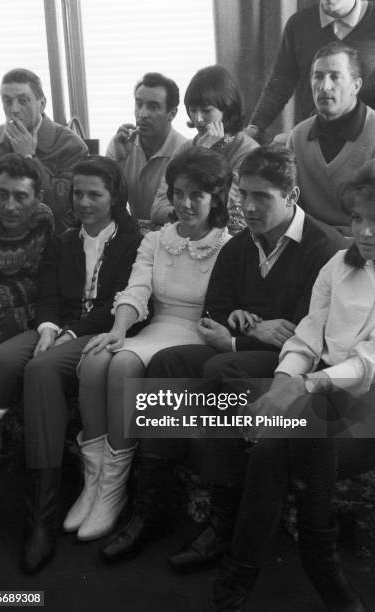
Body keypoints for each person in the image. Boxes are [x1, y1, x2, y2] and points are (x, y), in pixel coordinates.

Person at [100, 145, 346, 569]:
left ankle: (224, 519)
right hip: (250, 350)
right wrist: (254, 327)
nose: (248, 207)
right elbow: (215, 314)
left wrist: (241, 335)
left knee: (219, 367)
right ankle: (152, 509)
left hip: (298, 365)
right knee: (167, 364)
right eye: (243, 195)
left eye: (262, 197)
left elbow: (307, 335)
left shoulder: (322, 250)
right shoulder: (241, 248)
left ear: (292, 196)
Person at [204, 163, 375, 612]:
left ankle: (240, 580)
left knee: (287, 438)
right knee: (275, 442)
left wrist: (299, 387)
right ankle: (316, 568)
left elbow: (366, 365)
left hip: (367, 403)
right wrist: (284, 383)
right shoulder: (339, 265)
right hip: (325, 393)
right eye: (358, 218)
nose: (365, 230)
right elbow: (306, 337)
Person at [0, 156, 142, 574]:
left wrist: (68, 334)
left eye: (94, 194)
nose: (83, 202)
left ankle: (41, 517)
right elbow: (47, 293)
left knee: (40, 370)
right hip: (56, 327)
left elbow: (119, 302)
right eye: (78, 193)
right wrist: (48, 326)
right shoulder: (63, 239)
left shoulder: (133, 240)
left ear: (114, 196)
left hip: (99, 332)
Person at [66, 147, 232, 549]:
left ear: (217, 198)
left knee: (122, 365)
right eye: (178, 193)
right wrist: (120, 329)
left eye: (197, 195)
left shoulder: (229, 245)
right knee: (95, 357)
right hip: (155, 327)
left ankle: (114, 490)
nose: (185, 204)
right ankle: (94, 481)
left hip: (196, 335)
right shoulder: (156, 240)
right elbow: (138, 286)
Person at [0, 68, 88, 234]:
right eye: (7, 101)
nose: (14, 109)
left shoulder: (71, 145)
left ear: (42, 104)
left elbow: (64, 204)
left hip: (49, 243)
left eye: (23, 101)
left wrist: (29, 158)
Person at [246, 0, 375, 142]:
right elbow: (280, 83)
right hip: (310, 137)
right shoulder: (298, 24)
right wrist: (255, 126)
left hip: (365, 138)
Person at [151, 65, 258, 227]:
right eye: (193, 110)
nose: (198, 119)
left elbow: (230, 215)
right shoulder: (186, 148)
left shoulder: (249, 152)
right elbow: (157, 210)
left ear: (227, 108)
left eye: (206, 111)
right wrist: (201, 151)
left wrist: (203, 154)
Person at [0, 153, 54, 368]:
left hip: (18, 317)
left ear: (39, 197)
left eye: (20, 197)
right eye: (2, 194)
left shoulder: (42, 220)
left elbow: (39, 283)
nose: (10, 206)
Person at [289, 41, 375, 234]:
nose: (324, 86)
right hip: (309, 247)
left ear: (356, 85)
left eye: (335, 77)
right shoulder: (298, 137)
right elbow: (290, 208)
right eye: (318, 77)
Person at [106, 72, 186, 221]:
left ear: (172, 113)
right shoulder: (120, 143)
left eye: (153, 107)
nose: (142, 114)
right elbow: (105, 204)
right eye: (139, 104)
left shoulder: (185, 151)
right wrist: (120, 162)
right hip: (134, 233)